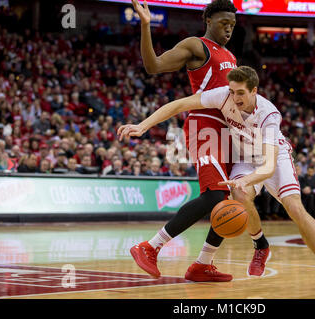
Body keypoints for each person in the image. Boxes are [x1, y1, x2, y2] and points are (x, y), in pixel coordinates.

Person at [119, 66, 315, 291]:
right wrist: (143, 125)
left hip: (273, 157)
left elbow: (267, 167)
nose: (234, 98)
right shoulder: (223, 95)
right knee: (238, 194)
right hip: (245, 157)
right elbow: (180, 104)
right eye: (232, 91)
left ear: (254, 91)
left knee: (294, 207)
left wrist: (247, 180)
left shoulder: (269, 114)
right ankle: (260, 245)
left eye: (240, 93)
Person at [120, 0, 244, 282]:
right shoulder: (196, 45)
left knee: (234, 198)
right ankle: (150, 246)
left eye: (233, 25)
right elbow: (153, 66)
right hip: (204, 127)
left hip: (228, 132)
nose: (229, 29)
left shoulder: (231, 56)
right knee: (214, 195)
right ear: (209, 20)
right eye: (224, 23)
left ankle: (203, 264)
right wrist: (145, 25)